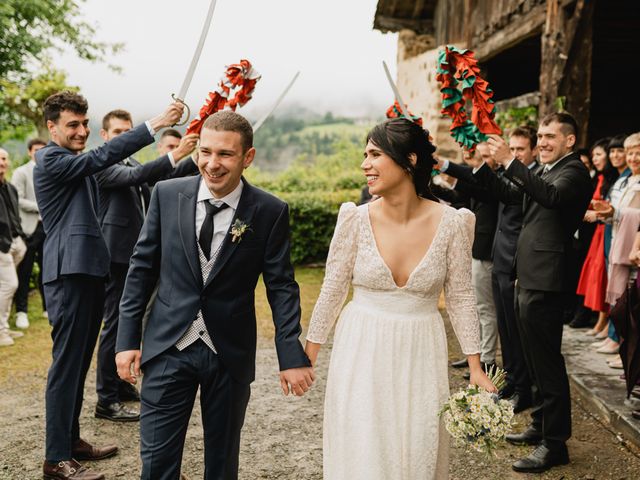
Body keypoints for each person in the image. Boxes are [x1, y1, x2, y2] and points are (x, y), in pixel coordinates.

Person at [115, 111, 314, 480]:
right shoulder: (167, 194)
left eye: (224, 154)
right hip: (166, 347)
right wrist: (126, 338)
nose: (211, 163)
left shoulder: (269, 211)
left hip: (229, 353)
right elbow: (140, 269)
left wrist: (291, 354)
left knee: (222, 463)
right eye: (205, 152)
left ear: (247, 157)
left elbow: (281, 286)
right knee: (156, 464)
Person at [305, 118, 496, 479]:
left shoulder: (453, 223)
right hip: (361, 346)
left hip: (421, 348)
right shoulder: (354, 219)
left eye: (375, 154)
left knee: (416, 444)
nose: (365, 164)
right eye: (365, 154)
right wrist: (309, 354)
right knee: (362, 445)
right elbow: (332, 287)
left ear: (408, 160)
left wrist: (475, 366)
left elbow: (459, 296)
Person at [34, 90, 183, 480]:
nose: (82, 131)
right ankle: (55, 460)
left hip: (85, 272)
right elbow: (104, 157)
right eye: (73, 125)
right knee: (66, 367)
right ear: (51, 128)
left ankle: (70, 441)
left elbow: (120, 169)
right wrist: (157, 123)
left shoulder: (74, 163)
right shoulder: (50, 159)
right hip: (67, 274)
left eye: (85, 123)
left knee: (79, 363)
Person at [487, 112, 593, 473]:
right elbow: (512, 194)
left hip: (548, 278)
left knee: (547, 362)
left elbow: (549, 198)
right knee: (532, 358)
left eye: (550, 136)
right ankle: (539, 424)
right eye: (541, 136)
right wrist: (482, 167)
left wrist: (510, 161)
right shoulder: (546, 170)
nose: (543, 142)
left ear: (569, 141)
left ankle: (555, 444)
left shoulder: (574, 172)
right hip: (529, 275)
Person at [93, 109, 199, 423]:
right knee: (115, 325)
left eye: (129, 130)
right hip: (116, 255)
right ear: (105, 136)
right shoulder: (103, 165)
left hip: (136, 256)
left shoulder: (134, 162)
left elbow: (157, 179)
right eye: (118, 132)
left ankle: (121, 387)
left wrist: (196, 156)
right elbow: (138, 177)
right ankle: (105, 400)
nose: (125, 137)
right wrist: (176, 153)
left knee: (133, 322)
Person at [471, 126, 538, 412]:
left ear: (532, 151)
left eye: (521, 149)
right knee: (506, 329)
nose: (515, 153)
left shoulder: (531, 178)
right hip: (500, 259)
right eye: (513, 148)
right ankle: (511, 378)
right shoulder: (509, 174)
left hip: (516, 264)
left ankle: (524, 388)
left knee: (518, 332)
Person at [436, 143, 499, 379]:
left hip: (487, 251)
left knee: (485, 309)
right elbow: (461, 199)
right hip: (475, 248)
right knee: (474, 307)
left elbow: (478, 188)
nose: (478, 161)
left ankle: (488, 359)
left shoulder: (493, 183)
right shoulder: (480, 182)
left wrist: (447, 166)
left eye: (484, 157)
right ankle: (476, 353)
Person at [10, 138, 47, 330]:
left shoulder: (50, 169)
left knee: (47, 269)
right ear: (29, 152)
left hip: (48, 227)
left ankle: (47, 307)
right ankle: (21, 312)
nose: (40, 153)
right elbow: (18, 200)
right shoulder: (21, 172)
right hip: (30, 228)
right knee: (24, 271)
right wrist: (41, 207)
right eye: (37, 150)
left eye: (43, 149)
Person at [0, 148, 27, 347]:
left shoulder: (9, 188)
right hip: (2, 246)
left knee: (4, 287)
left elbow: (15, 215)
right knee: (10, 285)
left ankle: (5, 328)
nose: (1, 162)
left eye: (4, 159)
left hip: (17, 242)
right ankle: (1, 332)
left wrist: (21, 239)